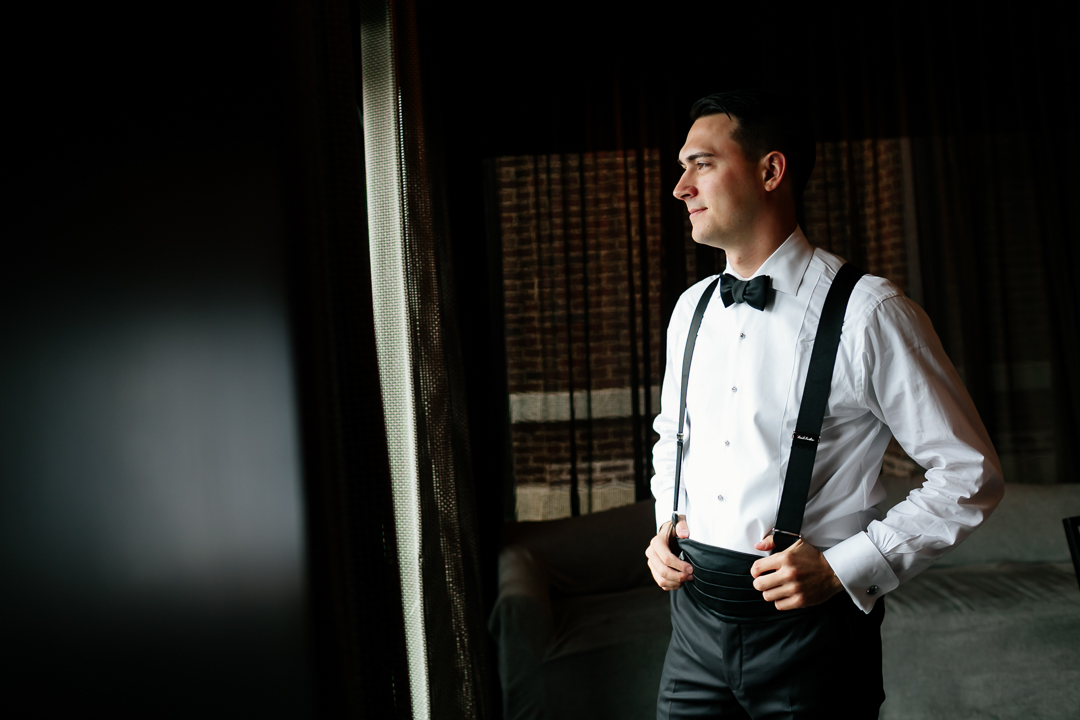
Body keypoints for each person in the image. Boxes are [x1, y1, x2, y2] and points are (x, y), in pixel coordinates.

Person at [645, 89, 1004, 719]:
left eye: (700, 164)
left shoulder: (870, 314)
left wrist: (845, 568)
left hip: (812, 637)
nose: (680, 188)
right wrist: (664, 523)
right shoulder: (691, 310)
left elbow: (969, 474)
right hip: (693, 622)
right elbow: (673, 433)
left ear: (770, 170)